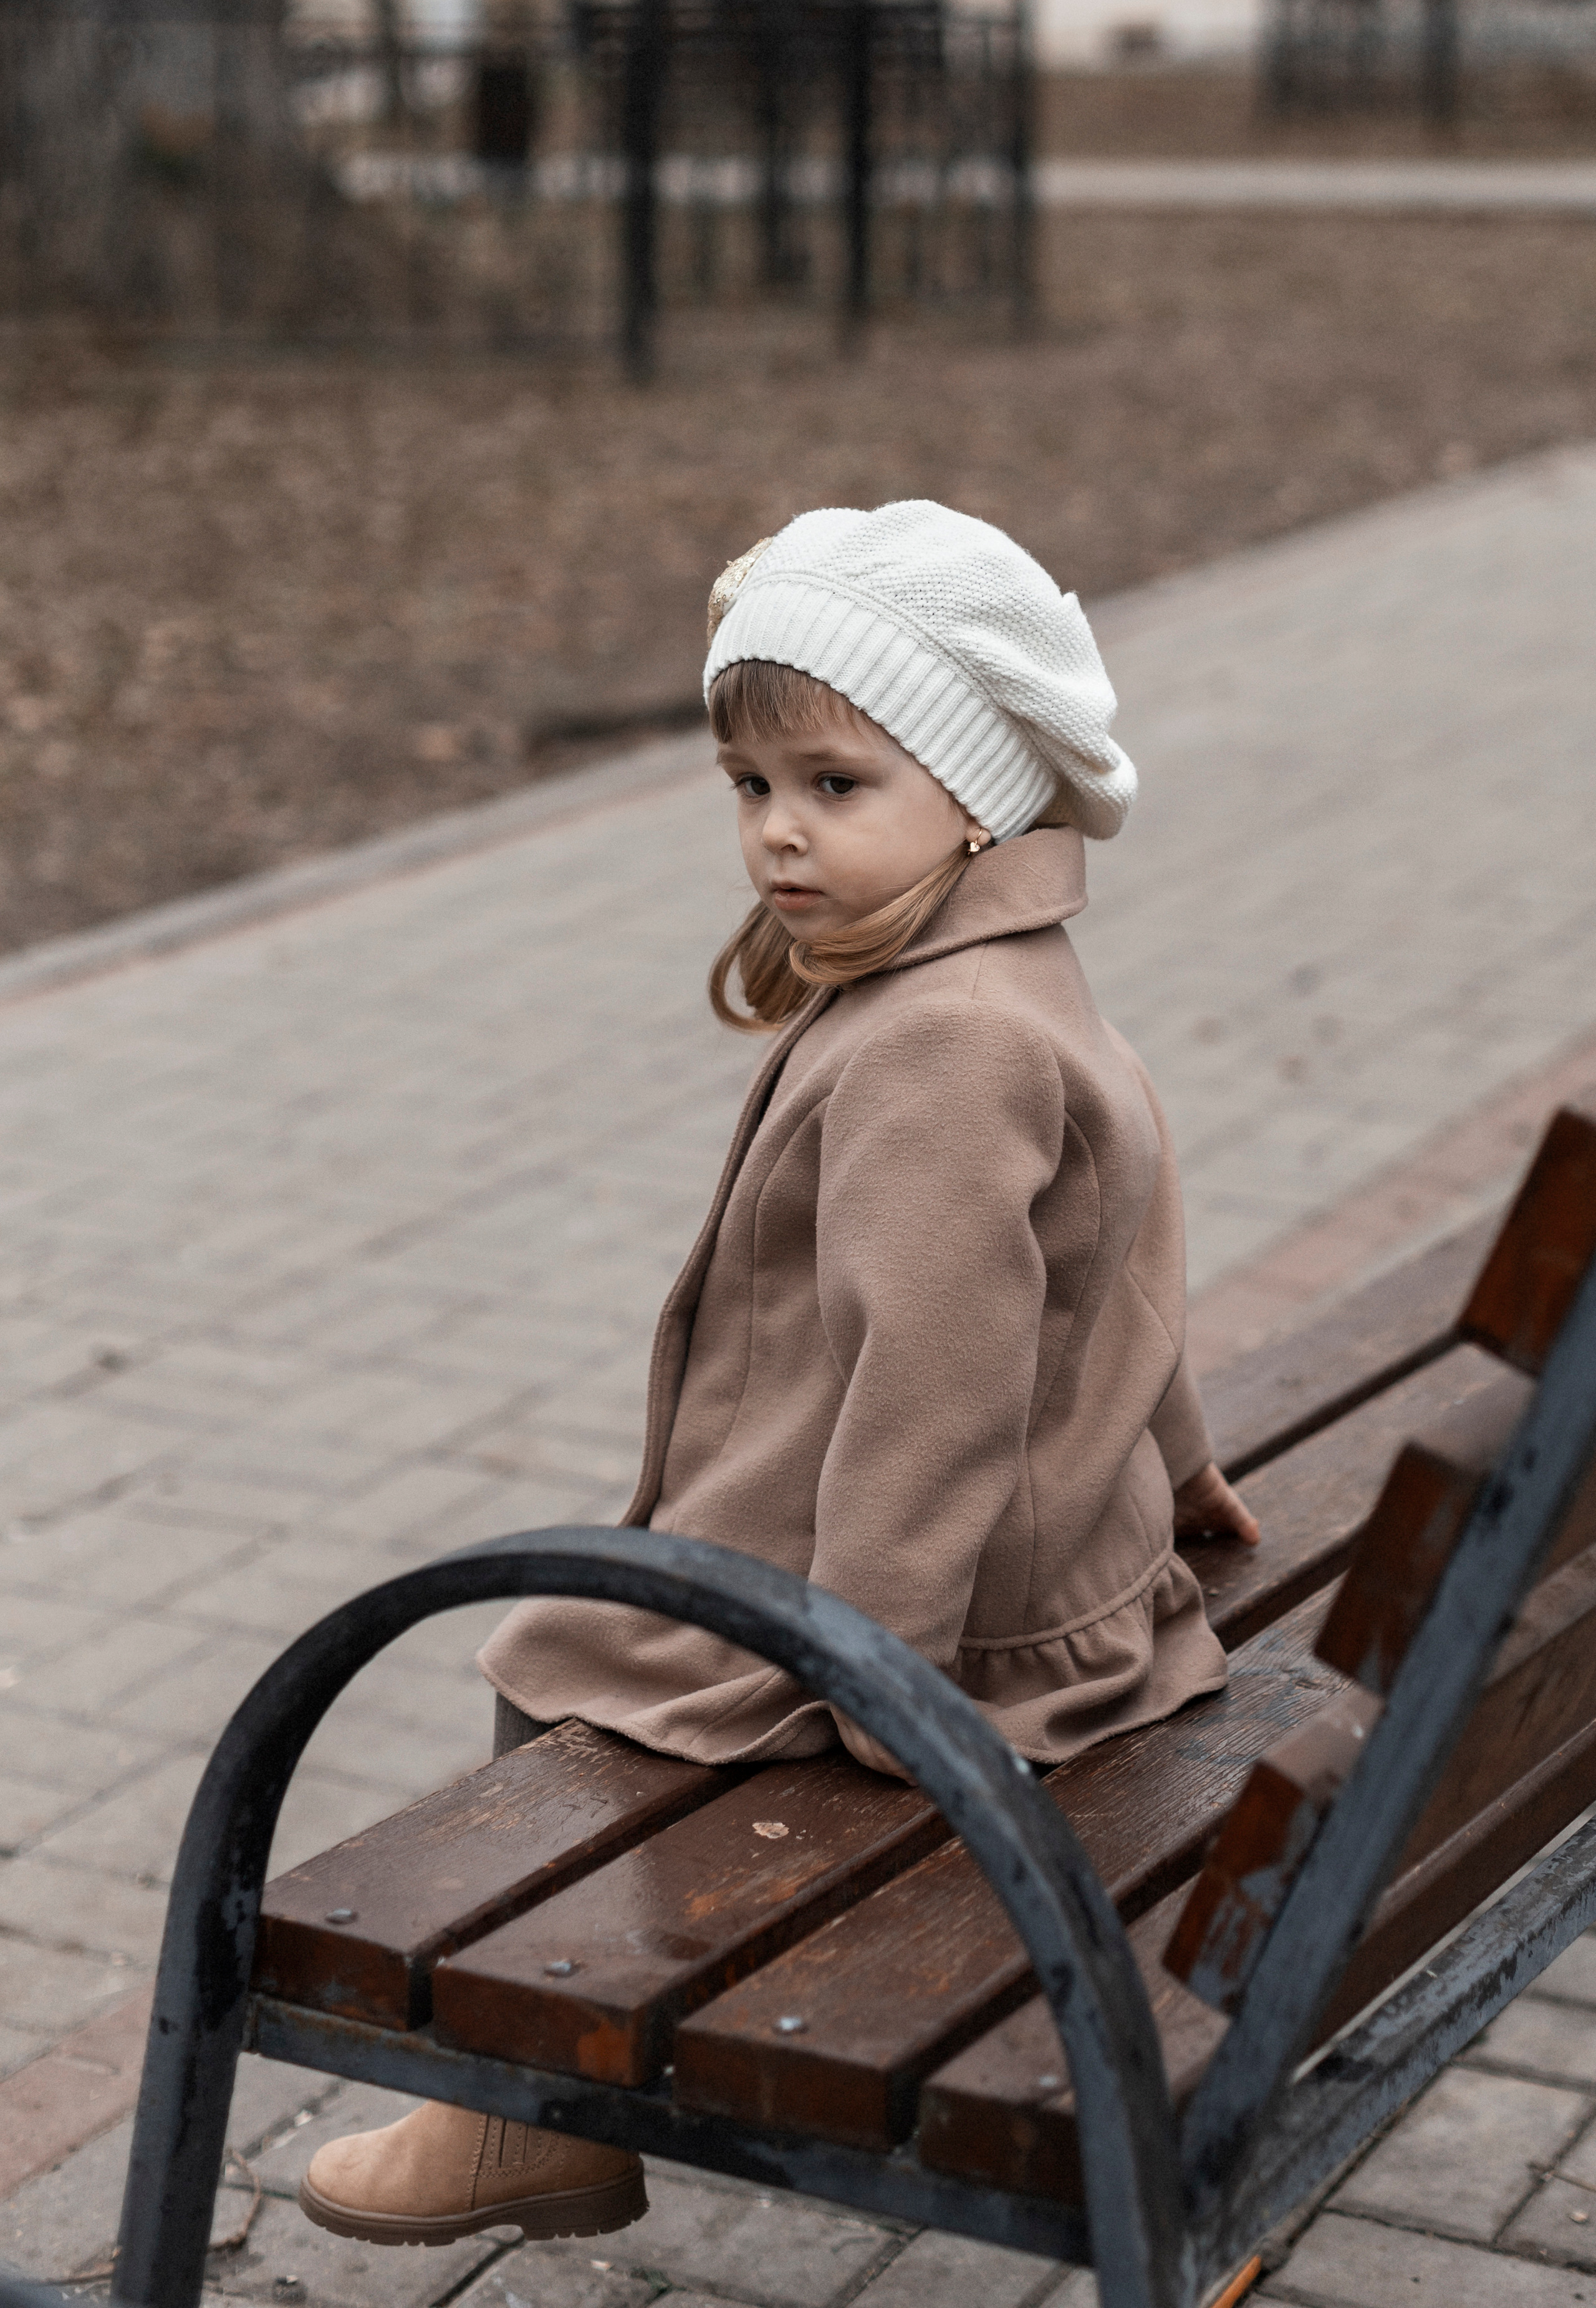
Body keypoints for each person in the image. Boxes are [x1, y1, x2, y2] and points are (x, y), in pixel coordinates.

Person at [298, 500, 1260, 2251]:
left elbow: (941, 1396)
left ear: (975, 789)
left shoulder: (941, 1044)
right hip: (1061, 1578)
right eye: (752, 790)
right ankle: (542, 2101)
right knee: (587, 1655)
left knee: (557, 1665)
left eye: (835, 787)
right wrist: (1179, 1467)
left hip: (943, 1629)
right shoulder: (1005, 971)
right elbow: (1122, 1257)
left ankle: (533, 2115)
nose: (779, 838)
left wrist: (868, 1667)